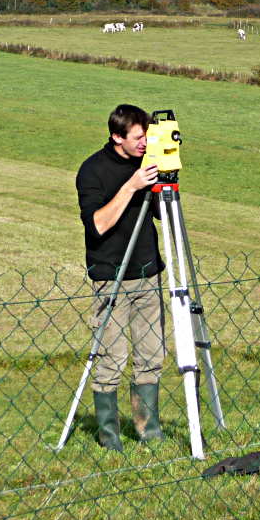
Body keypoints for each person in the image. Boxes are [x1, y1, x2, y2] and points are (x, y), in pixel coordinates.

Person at [75, 104, 166, 451]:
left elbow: (159, 214)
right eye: (139, 138)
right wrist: (131, 186)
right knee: (111, 360)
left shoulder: (148, 162)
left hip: (148, 272)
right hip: (110, 276)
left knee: (151, 355)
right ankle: (110, 439)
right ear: (117, 137)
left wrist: (164, 182)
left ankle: (149, 431)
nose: (145, 144)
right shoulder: (92, 171)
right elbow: (98, 224)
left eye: (148, 136)